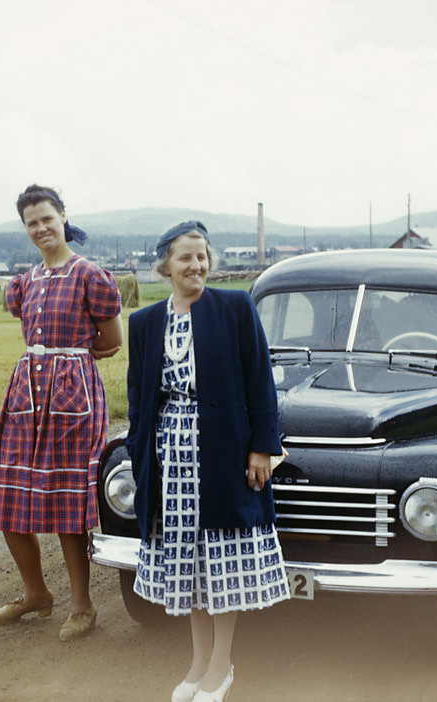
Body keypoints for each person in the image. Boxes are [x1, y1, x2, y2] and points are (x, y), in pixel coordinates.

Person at [126, 221, 290, 702]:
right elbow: (139, 398)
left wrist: (263, 446)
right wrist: (141, 455)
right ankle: (198, 661)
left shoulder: (235, 308)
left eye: (202, 256)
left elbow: (260, 380)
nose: (196, 265)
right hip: (169, 454)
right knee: (188, 561)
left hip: (222, 450)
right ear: (166, 266)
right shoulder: (145, 323)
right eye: (185, 258)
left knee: (221, 558)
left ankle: (222, 666)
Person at [0, 184, 123, 642]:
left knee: (66, 504)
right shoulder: (24, 282)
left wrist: (71, 361)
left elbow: (112, 341)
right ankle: (35, 593)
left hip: (73, 397)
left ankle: (82, 605)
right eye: (31, 223)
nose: (41, 228)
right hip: (26, 394)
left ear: (63, 218)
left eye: (47, 218)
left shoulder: (91, 276)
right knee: (8, 496)